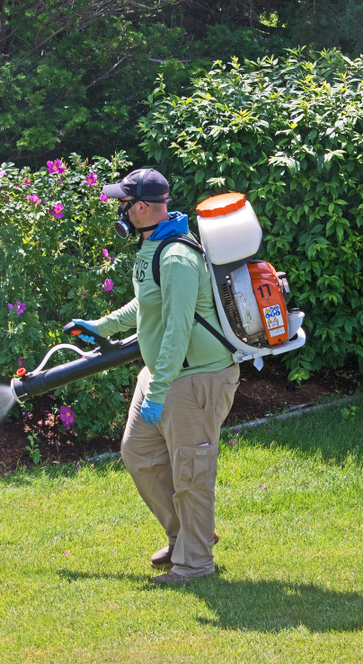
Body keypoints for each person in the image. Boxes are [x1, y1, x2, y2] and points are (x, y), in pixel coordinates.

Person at [72, 168, 239, 584]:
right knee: (138, 454)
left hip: (195, 379)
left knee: (191, 474)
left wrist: (158, 390)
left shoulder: (178, 256)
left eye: (123, 205)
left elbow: (179, 330)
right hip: (166, 374)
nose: (120, 211)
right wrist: (102, 325)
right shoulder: (153, 244)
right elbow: (148, 305)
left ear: (142, 207)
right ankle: (186, 536)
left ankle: (194, 564)